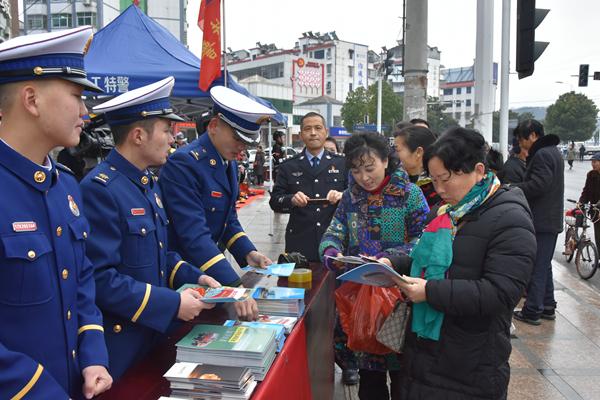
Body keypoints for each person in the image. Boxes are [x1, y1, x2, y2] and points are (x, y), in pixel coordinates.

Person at [80, 77, 220, 380]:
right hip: (122, 344)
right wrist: (171, 303)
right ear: (138, 135)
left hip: (153, 334)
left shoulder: (147, 183)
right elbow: (99, 279)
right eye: (167, 130)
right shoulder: (100, 189)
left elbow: (159, 252)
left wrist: (195, 276)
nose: (173, 139)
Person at [0, 26, 113, 399]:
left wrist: (93, 355)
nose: (85, 111)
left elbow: (80, 279)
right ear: (31, 99)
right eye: (77, 96)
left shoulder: (64, 184)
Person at [391, 127, 535, 399]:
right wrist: (392, 264)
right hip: (424, 352)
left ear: (479, 170)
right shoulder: (445, 212)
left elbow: (501, 292)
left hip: (470, 362)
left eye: (445, 179)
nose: (439, 189)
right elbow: (431, 260)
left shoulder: (510, 218)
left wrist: (429, 292)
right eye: (433, 180)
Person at [319, 132, 430, 400]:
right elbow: (334, 232)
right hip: (363, 301)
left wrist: (393, 258)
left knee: (405, 378)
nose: (364, 177)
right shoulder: (350, 197)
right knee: (370, 380)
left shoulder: (409, 194)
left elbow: (425, 239)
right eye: (356, 171)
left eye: (370, 168)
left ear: (385, 161)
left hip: (403, 300)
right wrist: (331, 252)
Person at [159, 86, 275, 320]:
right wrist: (235, 286)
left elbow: (228, 219)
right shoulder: (185, 164)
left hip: (212, 274)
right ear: (213, 127)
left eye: (247, 141)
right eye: (237, 138)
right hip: (184, 276)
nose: (242, 147)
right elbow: (194, 235)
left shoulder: (228, 161)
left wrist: (248, 252)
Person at [270, 112, 348, 262]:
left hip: (335, 241)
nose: (313, 133)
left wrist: (342, 195)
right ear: (300, 135)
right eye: (308, 129)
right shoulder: (288, 166)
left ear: (326, 132)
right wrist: (291, 199)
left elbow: (356, 195)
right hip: (300, 242)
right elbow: (275, 201)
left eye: (318, 128)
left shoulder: (342, 164)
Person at [512, 119, 564, 325]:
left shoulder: (542, 154)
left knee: (537, 266)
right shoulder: (553, 152)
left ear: (532, 135)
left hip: (542, 220)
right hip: (549, 220)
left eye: (521, 139)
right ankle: (548, 305)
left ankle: (532, 310)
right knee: (544, 265)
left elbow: (539, 185)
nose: (520, 144)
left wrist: (514, 187)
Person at [394, 125, 443, 208]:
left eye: (397, 150)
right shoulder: (397, 182)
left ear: (418, 152)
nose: (394, 155)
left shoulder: (438, 187)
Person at [578, 153, 600, 251]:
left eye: (595, 162)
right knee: (598, 236)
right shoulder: (591, 175)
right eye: (592, 162)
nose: (593, 164)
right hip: (595, 210)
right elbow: (586, 191)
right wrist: (581, 202)